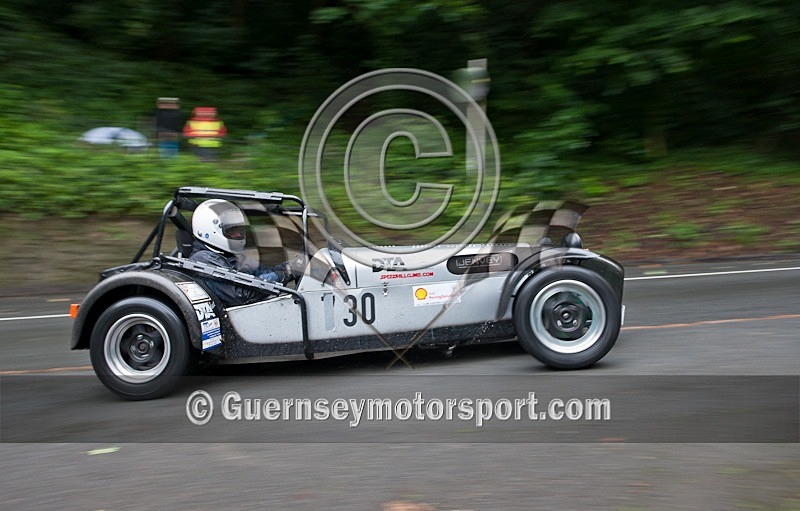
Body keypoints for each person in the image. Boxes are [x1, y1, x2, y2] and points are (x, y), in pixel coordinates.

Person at [189, 199, 296, 306]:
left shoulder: (228, 255)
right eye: (231, 231)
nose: (238, 235)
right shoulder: (202, 260)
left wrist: (288, 266)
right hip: (234, 314)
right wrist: (285, 273)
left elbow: (259, 271)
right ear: (208, 230)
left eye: (239, 230)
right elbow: (240, 295)